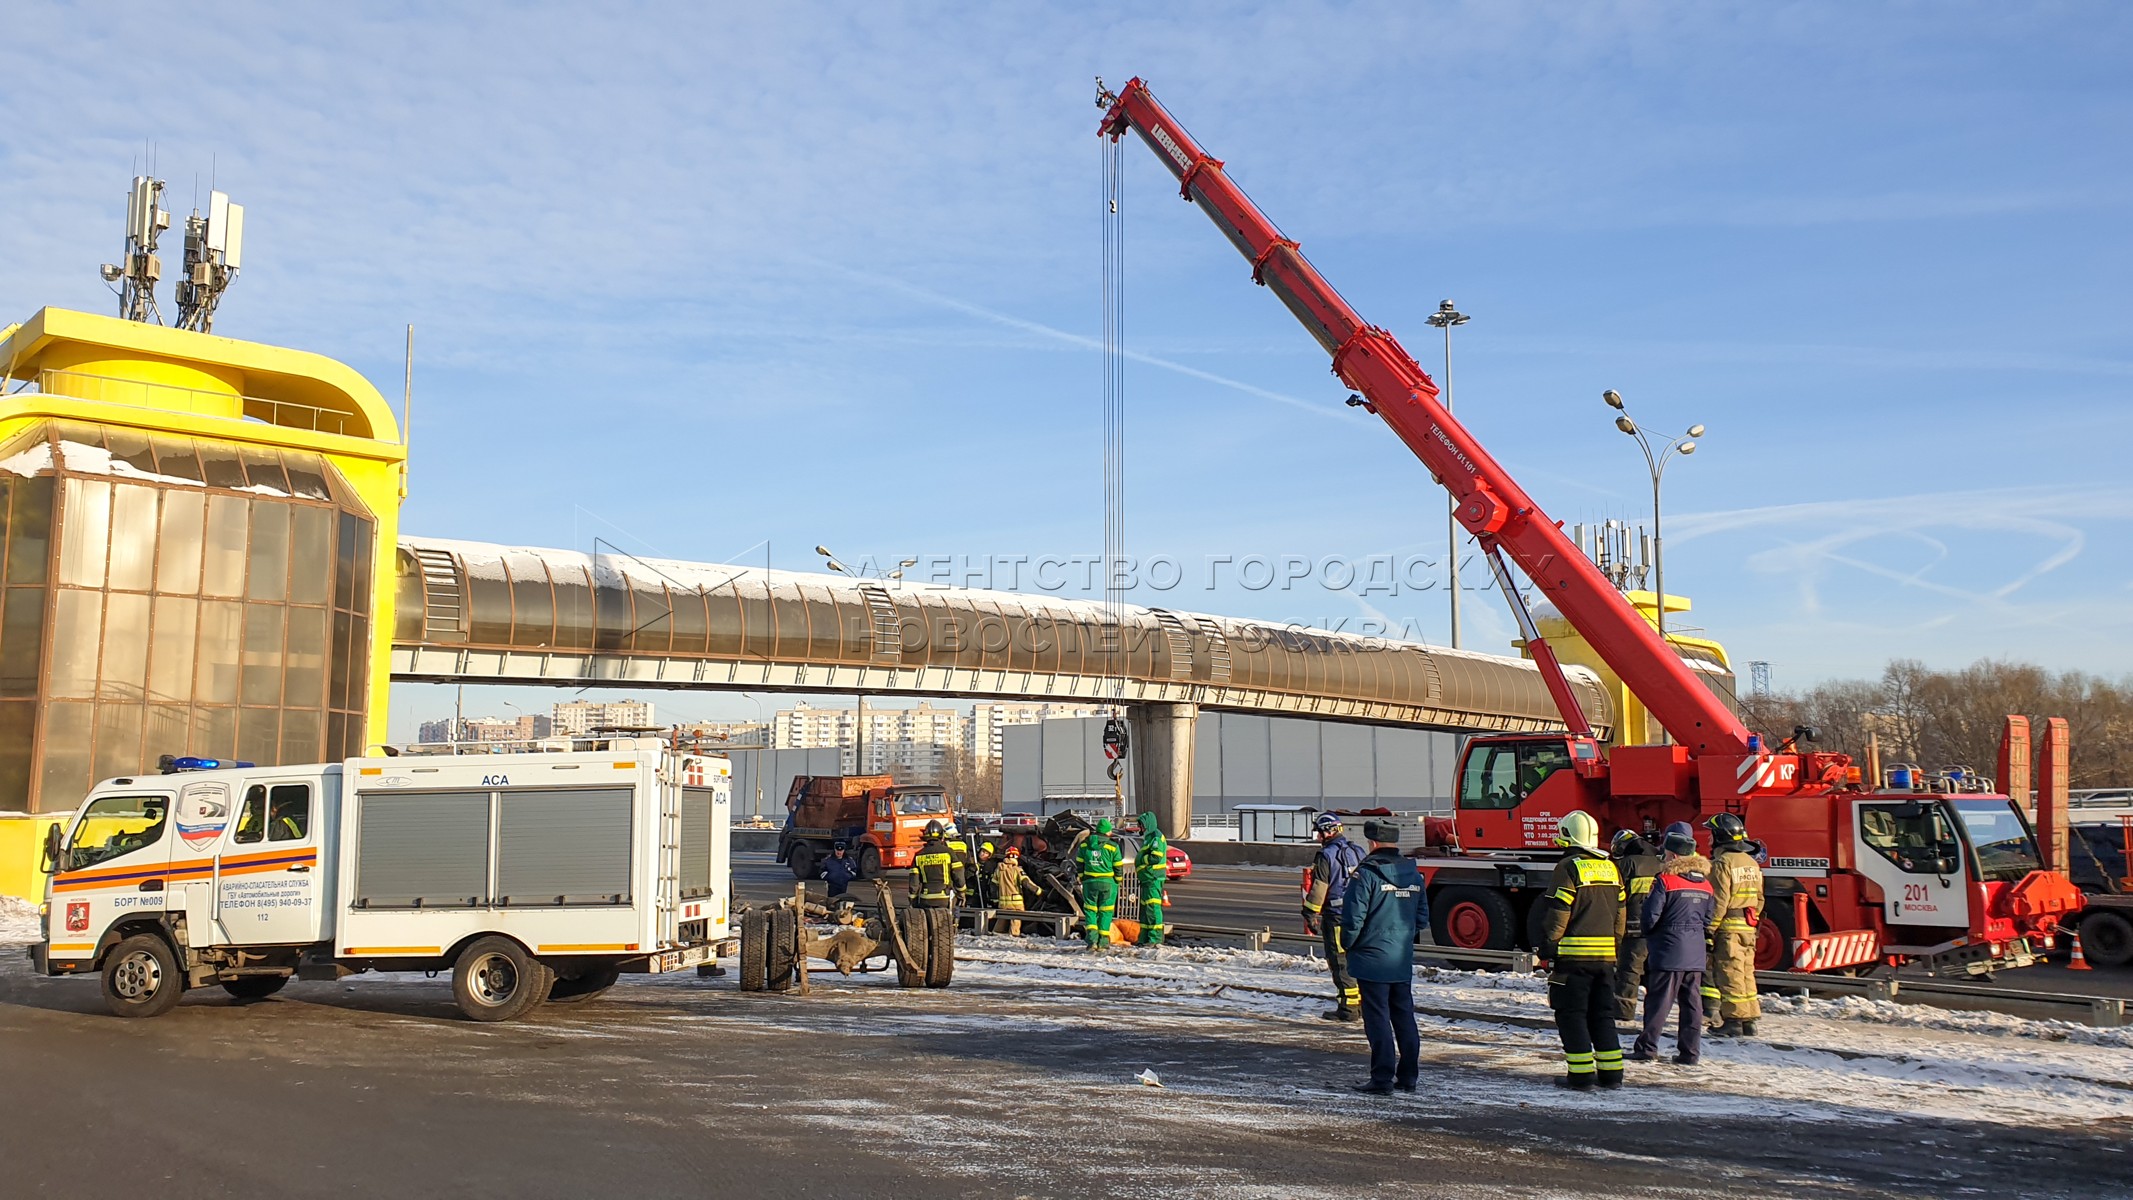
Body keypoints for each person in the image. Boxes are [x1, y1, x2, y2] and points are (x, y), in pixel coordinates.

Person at [1539, 810, 1627, 1090]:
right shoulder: (1612, 868)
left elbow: (1559, 913)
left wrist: (1548, 947)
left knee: (1571, 1014)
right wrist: (1614, 949)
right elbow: (1620, 917)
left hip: (1573, 960)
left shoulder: (1568, 867)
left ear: (1567, 836)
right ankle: (1612, 1075)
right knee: (1602, 1014)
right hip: (1604, 961)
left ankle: (1580, 1076)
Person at [1341, 821, 1427, 1095]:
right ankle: (1408, 1077)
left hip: (1371, 959)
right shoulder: (1414, 874)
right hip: (1400, 959)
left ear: (1373, 843)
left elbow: (1353, 918)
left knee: (1377, 1018)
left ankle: (1381, 1079)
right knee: (1404, 1017)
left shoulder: (1365, 875)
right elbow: (1422, 917)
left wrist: (1348, 945)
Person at [1631, 828, 1715, 1065]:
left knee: (1659, 1002)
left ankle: (1647, 1048)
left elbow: (1650, 916)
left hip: (1668, 951)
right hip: (1695, 954)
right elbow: (1708, 919)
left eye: (1667, 854)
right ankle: (1690, 1053)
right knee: (1692, 1005)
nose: (1664, 858)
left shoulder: (1665, 881)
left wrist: (1650, 934)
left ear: (1675, 857)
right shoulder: (1706, 885)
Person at [1705, 811, 1765, 1037]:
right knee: (1746, 972)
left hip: (1728, 927)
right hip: (1748, 926)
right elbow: (1759, 899)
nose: (1709, 839)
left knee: (1729, 973)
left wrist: (1709, 929)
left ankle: (1733, 1021)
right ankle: (1749, 1019)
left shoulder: (1722, 863)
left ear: (1721, 837)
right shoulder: (1751, 862)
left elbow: (1719, 900)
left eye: (1712, 835)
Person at [1302, 813, 1366, 1022]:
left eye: (1320, 833)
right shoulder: (1358, 851)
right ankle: (1364, 1006)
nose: (1319, 837)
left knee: (1340, 963)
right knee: (1359, 961)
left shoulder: (1326, 855)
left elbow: (1320, 888)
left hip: (1337, 918)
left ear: (1329, 831)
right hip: (1360, 918)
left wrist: (1310, 914)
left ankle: (1348, 1010)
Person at [1610, 829, 1662, 1021]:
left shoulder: (1625, 865)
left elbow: (1616, 898)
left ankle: (1624, 1012)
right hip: (1658, 930)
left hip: (1633, 929)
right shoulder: (1661, 862)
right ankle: (1656, 1014)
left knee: (1629, 972)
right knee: (1655, 974)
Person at [1076, 818, 1125, 949]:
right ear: (1108, 832)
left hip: (1090, 882)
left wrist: (1082, 877)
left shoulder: (1085, 845)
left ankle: (1092, 941)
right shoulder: (1113, 846)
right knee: (1106, 911)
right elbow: (1118, 867)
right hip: (1108, 883)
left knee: (1090, 911)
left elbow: (1079, 863)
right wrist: (1118, 880)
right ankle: (1103, 942)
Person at [1133, 811, 1169, 946]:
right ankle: (1145, 937)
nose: (1139, 828)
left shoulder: (1156, 837)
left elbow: (1156, 857)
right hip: (1147, 879)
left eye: (1141, 825)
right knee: (1145, 910)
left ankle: (1155, 938)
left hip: (1153, 878)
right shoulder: (1149, 837)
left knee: (1153, 908)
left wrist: (1142, 859)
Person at [909, 821, 963, 909]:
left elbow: (914, 883)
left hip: (926, 899)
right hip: (944, 898)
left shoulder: (919, 855)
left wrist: (912, 899)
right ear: (941, 836)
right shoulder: (948, 852)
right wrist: (961, 893)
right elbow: (958, 875)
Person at [991, 846, 1039, 935]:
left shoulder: (999, 869)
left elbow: (993, 885)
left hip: (1003, 903)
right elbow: (1026, 883)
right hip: (1016, 903)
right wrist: (1039, 891)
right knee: (1015, 922)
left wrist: (995, 899)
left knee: (1002, 920)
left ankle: (995, 934)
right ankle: (1014, 936)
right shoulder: (1017, 870)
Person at [943, 821, 977, 906]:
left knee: (950, 904)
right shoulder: (963, 844)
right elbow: (969, 863)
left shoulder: (946, 846)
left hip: (949, 881)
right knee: (960, 903)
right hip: (961, 879)